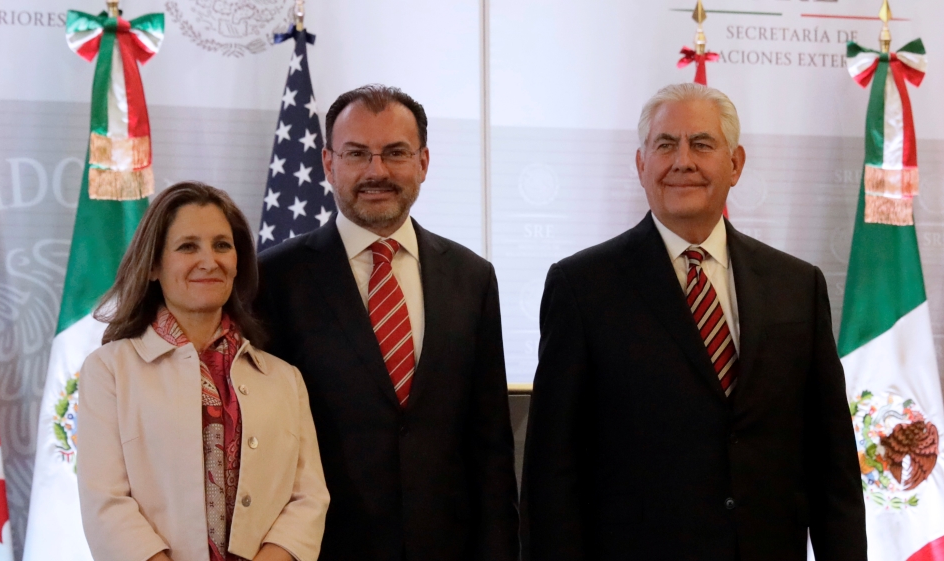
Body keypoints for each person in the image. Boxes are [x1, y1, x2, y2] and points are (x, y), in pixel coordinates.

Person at [520, 84, 866, 561]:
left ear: (736, 164)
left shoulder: (797, 285)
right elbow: (551, 471)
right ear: (641, 165)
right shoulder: (582, 287)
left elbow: (833, 466)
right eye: (665, 145)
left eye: (702, 144)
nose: (683, 161)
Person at [255, 84, 519, 561]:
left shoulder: (472, 278)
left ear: (423, 163)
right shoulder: (274, 280)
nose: (377, 171)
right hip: (321, 548)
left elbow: (490, 444)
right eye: (357, 154)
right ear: (328, 164)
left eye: (395, 153)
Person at [76, 182, 329, 561]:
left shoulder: (284, 379)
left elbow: (308, 499)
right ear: (153, 266)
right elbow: (106, 504)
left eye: (222, 245)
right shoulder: (109, 370)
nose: (209, 260)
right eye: (187, 246)